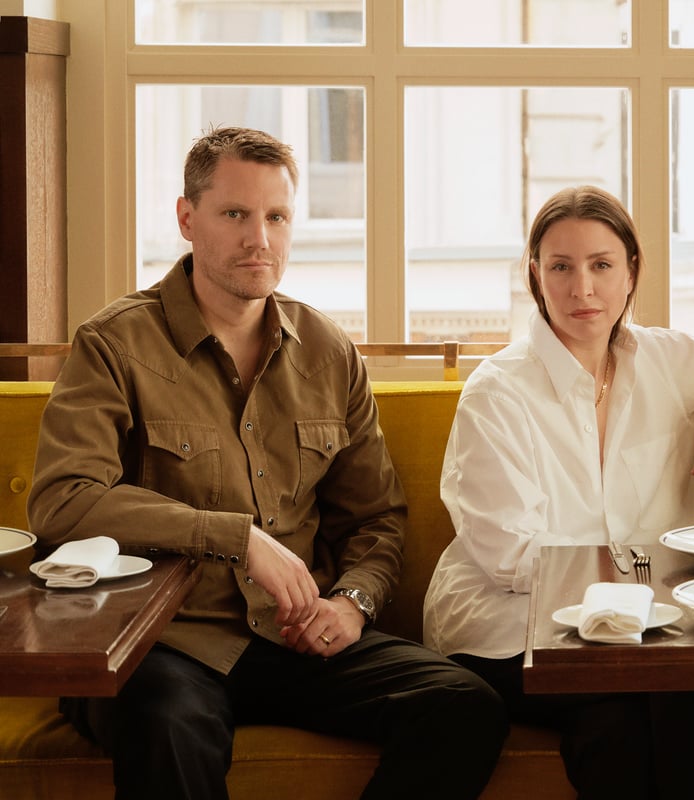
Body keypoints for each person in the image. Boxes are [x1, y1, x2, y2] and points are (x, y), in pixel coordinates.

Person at [27, 126, 507, 800]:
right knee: (165, 725)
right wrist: (234, 538)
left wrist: (353, 602)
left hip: (293, 644)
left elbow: (376, 520)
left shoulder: (328, 350)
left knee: (464, 705)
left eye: (277, 217)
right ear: (186, 218)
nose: (260, 238)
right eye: (235, 215)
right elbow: (62, 501)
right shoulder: (112, 343)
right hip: (161, 646)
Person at [423, 185, 694, 798]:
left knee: (637, 719)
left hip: (642, 634)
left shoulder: (664, 359)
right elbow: (516, 560)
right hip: (510, 631)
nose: (582, 290)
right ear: (535, 276)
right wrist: (655, 588)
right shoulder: (497, 391)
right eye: (561, 268)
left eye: (601, 265)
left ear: (632, 273)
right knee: (672, 699)